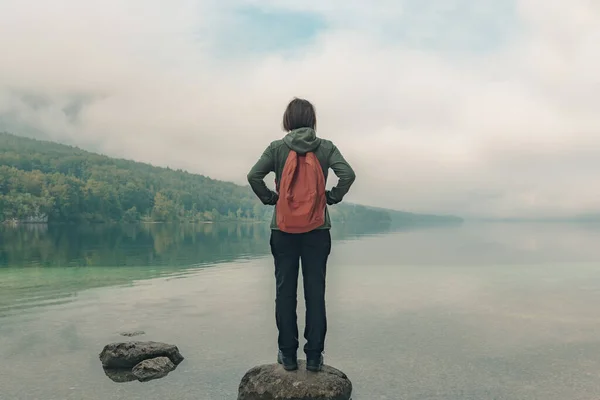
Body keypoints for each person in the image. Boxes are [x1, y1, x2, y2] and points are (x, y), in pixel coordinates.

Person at [247, 98, 356, 372]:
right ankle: (315, 356)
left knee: (285, 292)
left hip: (282, 230)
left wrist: (271, 199)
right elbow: (348, 175)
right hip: (317, 231)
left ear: (288, 120)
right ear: (311, 120)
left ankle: (287, 355)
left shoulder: (276, 148)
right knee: (315, 293)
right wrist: (330, 197)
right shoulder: (326, 148)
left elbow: (253, 176)